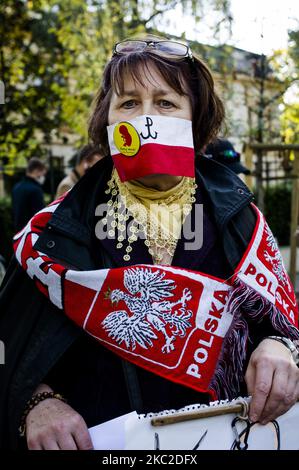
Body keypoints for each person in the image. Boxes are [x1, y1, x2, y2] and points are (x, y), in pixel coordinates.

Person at [1, 35, 299, 451]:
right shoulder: (52, 234)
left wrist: (279, 347)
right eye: (128, 103)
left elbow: (284, 324)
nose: (146, 119)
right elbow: (10, 350)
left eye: (165, 103)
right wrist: (37, 401)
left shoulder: (242, 221)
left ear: (195, 118)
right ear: (108, 119)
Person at [11, 157, 47, 233]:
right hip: (31, 234)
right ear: (36, 171)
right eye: (43, 174)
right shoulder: (36, 190)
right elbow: (40, 217)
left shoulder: (16, 187)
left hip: (18, 233)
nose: (43, 177)